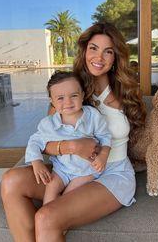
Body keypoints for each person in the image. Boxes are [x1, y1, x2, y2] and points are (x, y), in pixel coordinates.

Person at [1, 22, 158, 242]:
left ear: (116, 56)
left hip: (112, 174)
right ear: (84, 50)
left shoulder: (126, 91)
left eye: (108, 51)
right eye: (93, 48)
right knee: (11, 179)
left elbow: (148, 135)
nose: (99, 57)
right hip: (71, 169)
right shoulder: (68, 90)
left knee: (46, 217)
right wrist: (72, 147)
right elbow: (45, 142)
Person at [25, 71, 112, 205]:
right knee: (50, 194)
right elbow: (34, 141)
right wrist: (37, 162)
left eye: (74, 95)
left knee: (66, 199)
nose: (68, 102)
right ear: (52, 101)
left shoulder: (92, 116)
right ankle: (47, 216)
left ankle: (58, 219)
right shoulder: (48, 124)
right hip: (61, 170)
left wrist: (103, 155)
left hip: (87, 171)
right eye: (60, 98)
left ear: (82, 95)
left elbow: (105, 136)